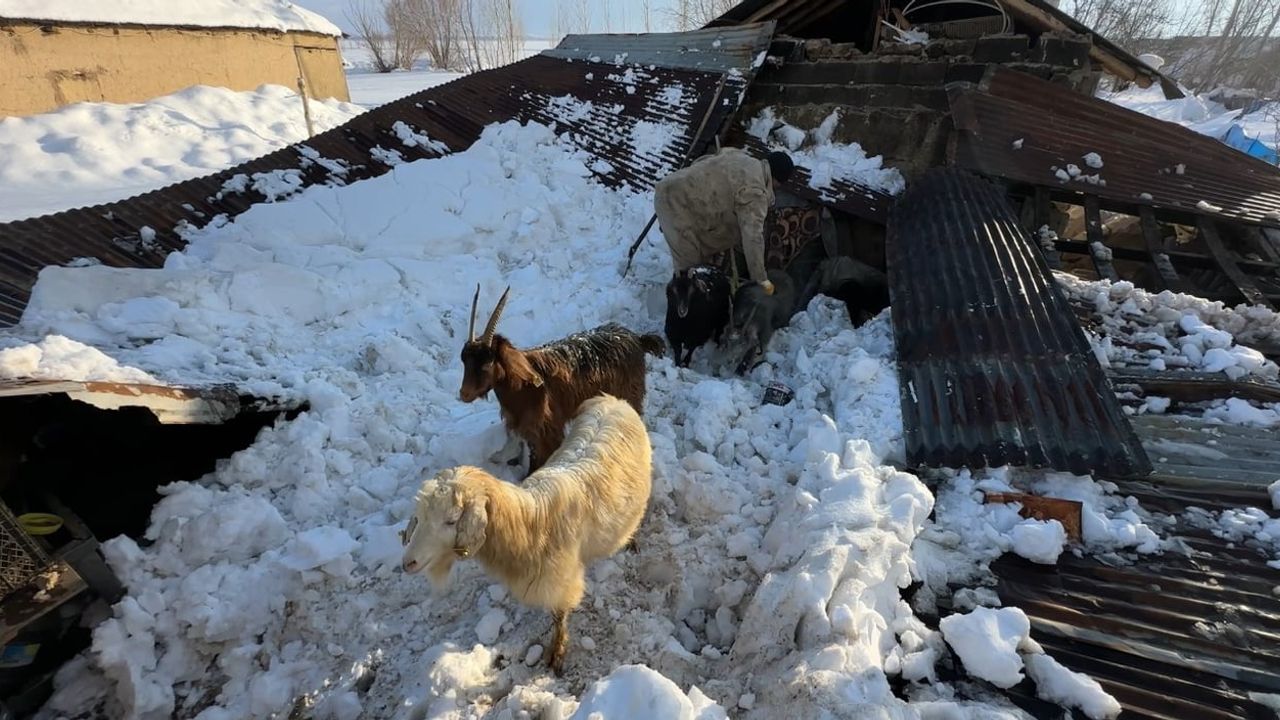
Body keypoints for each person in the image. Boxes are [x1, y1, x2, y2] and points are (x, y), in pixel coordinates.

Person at [654, 146, 796, 295]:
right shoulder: (756, 192)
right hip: (677, 205)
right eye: (779, 185)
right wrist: (761, 280)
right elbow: (753, 237)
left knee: (693, 265)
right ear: (776, 180)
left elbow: (704, 159)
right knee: (688, 272)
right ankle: (680, 310)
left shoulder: (741, 156)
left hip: (673, 186)